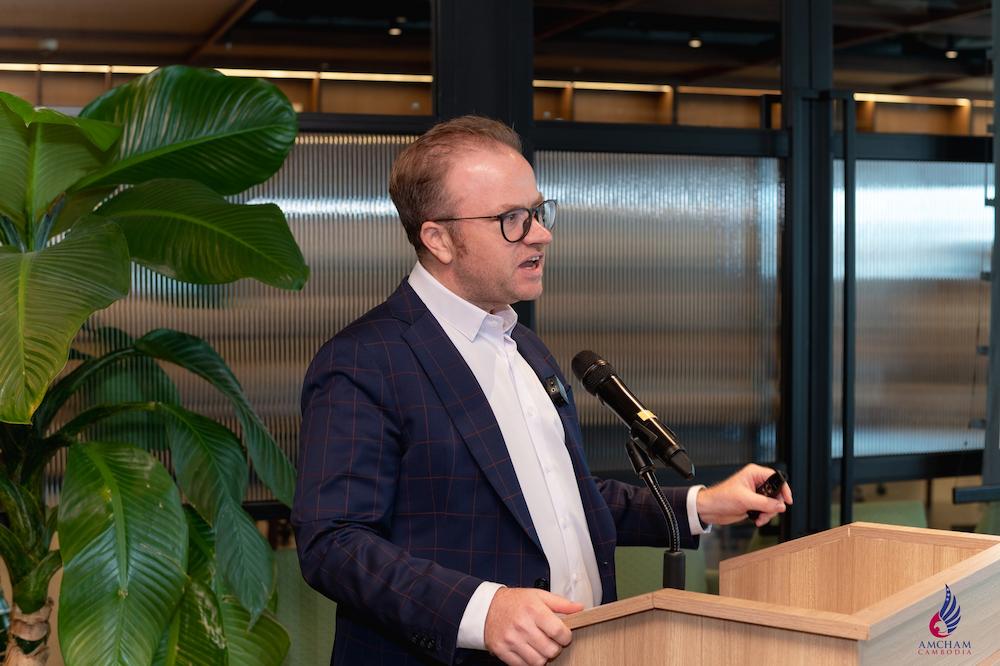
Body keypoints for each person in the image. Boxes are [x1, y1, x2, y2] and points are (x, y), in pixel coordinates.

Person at [292, 115, 793, 666]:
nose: (540, 234)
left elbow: (562, 498)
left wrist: (703, 505)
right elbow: (333, 543)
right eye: (511, 219)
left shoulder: (525, 346)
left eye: (537, 211)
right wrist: (483, 611)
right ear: (438, 239)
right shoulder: (365, 360)